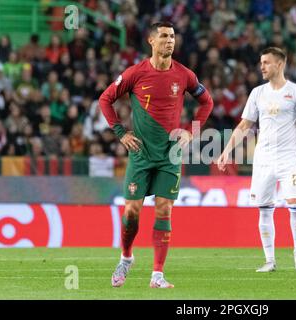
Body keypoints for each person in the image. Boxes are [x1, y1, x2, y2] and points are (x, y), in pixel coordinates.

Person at [99, 22, 213, 289]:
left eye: (172, 36)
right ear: (151, 41)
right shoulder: (135, 73)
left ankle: (157, 275)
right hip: (140, 154)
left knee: (164, 209)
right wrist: (121, 133)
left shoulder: (184, 75)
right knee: (132, 210)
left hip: (170, 155)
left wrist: (191, 131)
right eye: (163, 36)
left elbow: (207, 102)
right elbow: (105, 99)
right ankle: (126, 258)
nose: (169, 40)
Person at [217, 47, 296, 273]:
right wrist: (227, 151)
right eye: (261, 62)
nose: (261, 66)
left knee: (294, 203)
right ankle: (270, 260)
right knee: (264, 209)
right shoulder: (257, 93)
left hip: (289, 158)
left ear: (280, 64)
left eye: (266, 62)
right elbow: (245, 125)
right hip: (263, 158)